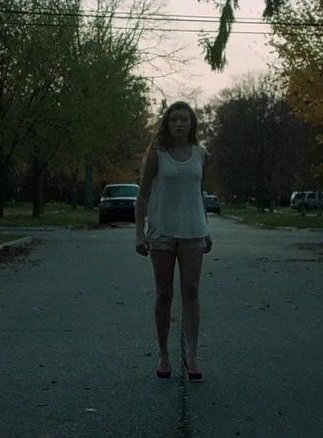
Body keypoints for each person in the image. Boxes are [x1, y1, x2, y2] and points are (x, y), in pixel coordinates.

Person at [135, 101, 212, 382]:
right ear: (167, 124)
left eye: (184, 120)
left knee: (191, 291)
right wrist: (139, 233)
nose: (179, 124)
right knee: (164, 293)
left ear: (192, 124)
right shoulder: (158, 155)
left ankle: (191, 354)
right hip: (161, 232)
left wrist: (207, 229)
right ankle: (164, 353)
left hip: (193, 232)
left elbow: (199, 194)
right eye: (173, 120)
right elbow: (142, 196)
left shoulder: (202, 155)